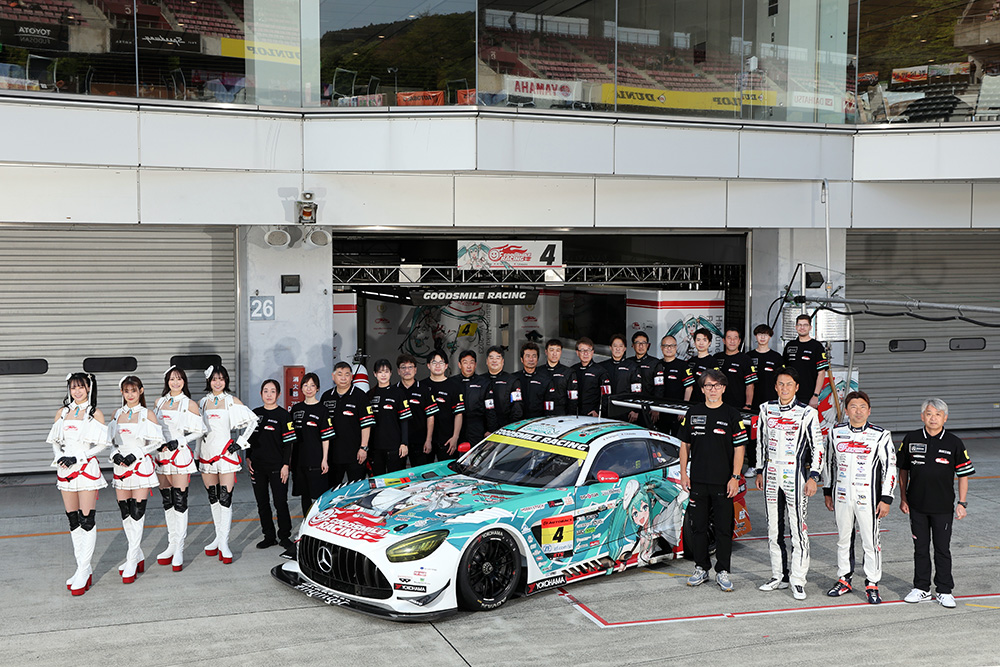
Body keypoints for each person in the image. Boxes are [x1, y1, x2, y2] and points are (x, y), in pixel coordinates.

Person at [754, 367, 824, 600]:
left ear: (797, 387)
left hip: (795, 475)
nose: (784, 388)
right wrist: (760, 470)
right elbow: (760, 443)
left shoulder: (807, 413)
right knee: (773, 528)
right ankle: (779, 576)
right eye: (781, 384)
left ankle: (798, 580)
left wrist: (814, 477)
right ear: (775, 387)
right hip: (771, 473)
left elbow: (818, 447)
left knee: (798, 529)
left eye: (789, 384)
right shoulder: (765, 409)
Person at [899, 398, 974, 609]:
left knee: (942, 549)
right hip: (917, 506)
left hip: (943, 508)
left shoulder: (954, 442)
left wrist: (962, 503)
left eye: (938, 414)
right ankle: (921, 588)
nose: (933, 418)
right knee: (920, 549)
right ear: (922, 416)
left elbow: (963, 475)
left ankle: (944, 590)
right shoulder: (911, 438)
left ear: (945, 418)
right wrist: (903, 498)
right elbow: (903, 471)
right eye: (929, 414)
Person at [823, 390, 896, 604]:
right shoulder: (835, 432)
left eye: (862, 407)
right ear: (846, 411)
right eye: (853, 407)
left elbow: (890, 468)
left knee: (870, 540)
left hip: (869, 497)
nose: (858, 411)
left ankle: (872, 583)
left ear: (869, 410)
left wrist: (886, 498)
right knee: (843, 539)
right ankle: (844, 579)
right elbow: (828, 463)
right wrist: (827, 491)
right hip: (841, 495)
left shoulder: (881, 435)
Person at [678, 369, 748, 592]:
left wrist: (735, 477)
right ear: (702, 389)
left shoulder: (732, 414)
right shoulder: (693, 412)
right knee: (698, 528)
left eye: (717, 385)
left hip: (723, 483)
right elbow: (684, 445)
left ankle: (723, 571)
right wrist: (683, 473)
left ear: (724, 388)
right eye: (708, 386)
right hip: (698, 481)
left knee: (723, 530)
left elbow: (739, 448)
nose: (713, 390)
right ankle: (701, 568)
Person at [47, 372, 107, 596]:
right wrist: (59, 457)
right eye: (73, 387)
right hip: (66, 470)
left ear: (88, 388)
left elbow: (102, 444)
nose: (77, 391)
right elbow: (55, 440)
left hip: (86, 469)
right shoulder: (62, 413)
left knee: (86, 519)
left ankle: (83, 570)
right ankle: (82, 567)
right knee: (73, 519)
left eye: (81, 387)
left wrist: (78, 457)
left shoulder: (94, 413)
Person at [198, 364, 258, 565]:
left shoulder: (231, 401)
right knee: (213, 498)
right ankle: (217, 538)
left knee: (225, 498)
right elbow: (199, 432)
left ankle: (224, 543)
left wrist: (240, 443)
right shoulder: (202, 403)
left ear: (226, 381)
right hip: (207, 456)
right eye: (214, 379)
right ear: (209, 381)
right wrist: (197, 455)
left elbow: (253, 421)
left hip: (226, 456)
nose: (218, 382)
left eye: (221, 378)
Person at [108, 375, 163, 584]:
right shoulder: (117, 414)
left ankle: (131, 561)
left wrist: (137, 453)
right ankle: (137, 554)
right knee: (125, 512)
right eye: (126, 391)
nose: (130, 395)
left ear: (141, 391)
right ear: (122, 393)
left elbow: (157, 441)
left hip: (140, 467)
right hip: (121, 468)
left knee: (137, 513)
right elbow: (110, 442)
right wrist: (115, 455)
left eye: (133, 390)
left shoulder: (147, 414)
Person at [153, 366, 203, 572]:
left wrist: (180, 441)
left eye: (179, 379)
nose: (175, 382)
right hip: (161, 456)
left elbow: (200, 430)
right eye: (172, 379)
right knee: (168, 501)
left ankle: (180, 549)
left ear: (184, 382)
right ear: (167, 381)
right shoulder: (159, 402)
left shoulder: (189, 404)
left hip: (180, 455)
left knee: (180, 500)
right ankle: (171, 544)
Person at [248, 379, 294, 552]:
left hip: (277, 467)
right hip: (257, 467)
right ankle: (269, 536)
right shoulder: (255, 414)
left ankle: (284, 536)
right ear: (261, 394)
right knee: (262, 503)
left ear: (278, 394)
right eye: (265, 391)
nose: (269, 394)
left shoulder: (284, 415)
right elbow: (248, 439)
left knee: (280, 502)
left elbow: (289, 444)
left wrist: (285, 465)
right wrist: (248, 458)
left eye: (272, 391)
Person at [320, 362, 373, 487]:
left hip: (355, 454)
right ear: (333, 376)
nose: (343, 378)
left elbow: (366, 424)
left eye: (347, 374)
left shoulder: (360, 396)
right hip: (333, 455)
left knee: (356, 490)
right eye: (339, 374)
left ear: (351, 377)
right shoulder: (326, 397)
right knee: (333, 489)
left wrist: (363, 448)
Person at [368, 359, 412, 475]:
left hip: (395, 446)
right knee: (378, 480)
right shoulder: (369, 395)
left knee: (396, 480)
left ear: (391, 373)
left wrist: (404, 443)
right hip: (375, 447)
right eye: (380, 372)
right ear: (375, 374)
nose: (383, 375)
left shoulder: (398, 393)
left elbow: (404, 421)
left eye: (386, 371)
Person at [395, 353, 437, 467]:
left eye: (410, 367)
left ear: (415, 370)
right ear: (398, 371)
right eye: (403, 367)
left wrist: (428, 440)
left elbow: (430, 417)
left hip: (420, 441)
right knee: (398, 474)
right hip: (398, 442)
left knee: (420, 474)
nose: (407, 370)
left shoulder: (424, 390)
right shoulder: (394, 390)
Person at [782, 314, 829, 407]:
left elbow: (821, 373)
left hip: (809, 396)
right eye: (799, 325)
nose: (802, 328)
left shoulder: (816, 346)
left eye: (805, 325)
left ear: (810, 327)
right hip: (790, 395)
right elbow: (783, 371)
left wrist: (816, 395)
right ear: (796, 327)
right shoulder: (790, 345)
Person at [651, 335, 694, 434]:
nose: (669, 348)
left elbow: (689, 387)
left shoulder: (683, 365)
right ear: (661, 347)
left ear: (676, 347)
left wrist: (683, 408)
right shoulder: (657, 365)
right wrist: (655, 407)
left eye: (672, 345)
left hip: (677, 411)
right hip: (660, 411)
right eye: (666, 346)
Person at [426, 349, 464, 458]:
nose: (438, 365)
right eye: (434, 362)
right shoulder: (422, 386)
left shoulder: (454, 386)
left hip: (448, 439)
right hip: (425, 440)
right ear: (428, 365)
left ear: (446, 366)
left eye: (441, 362)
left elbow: (459, 414)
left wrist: (455, 437)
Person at [602, 333, 642, 422]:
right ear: (610, 347)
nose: (617, 348)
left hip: (626, 412)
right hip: (606, 412)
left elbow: (637, 391)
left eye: (620, 346)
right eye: (615, 346)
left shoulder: (632, 366)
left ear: (625, 348)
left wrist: (635, 410)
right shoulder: (603, 366)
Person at [713, 327, 756, 411]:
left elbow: (750, 385)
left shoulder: (745, 359)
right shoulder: (716, 358)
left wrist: (748, 405)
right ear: (724, 340)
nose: (732, 341)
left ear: (739, 341)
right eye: (729, 338)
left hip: (738, 406)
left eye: (735, 338)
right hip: (717, 404)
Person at [483, 345, 523, 434]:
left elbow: (517, 408)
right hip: (483, 431)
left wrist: (510, 429)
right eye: (491, 358)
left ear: (502, 361)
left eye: (498, 358)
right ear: (487, 361)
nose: (494, 361)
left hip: (505, 429)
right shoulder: (480, 380)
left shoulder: (512, 380)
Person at [568, 337, 611, 417]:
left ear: (592, 352)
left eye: (588, 350)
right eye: (582, 350)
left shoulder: (601, 372)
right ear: (577, 352)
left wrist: (597, 411)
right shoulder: (572, 370)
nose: (586, 353)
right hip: (574, 415)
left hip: (591, 415)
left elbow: (606, 396)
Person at [514, 341, 556, 419]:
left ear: (537, 359)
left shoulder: (546, 380)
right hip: (517, 422)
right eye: (527, 356)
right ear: (522, 359)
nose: (531, 359)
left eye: (534, 356)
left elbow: (549, 406)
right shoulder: (514, 378)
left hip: (538, 421)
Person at [455, 350, 487, 446]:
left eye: (471, 362)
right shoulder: (452, 382)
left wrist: (489, 429)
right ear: (459, 365)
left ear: (475, 365)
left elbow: (489, 409)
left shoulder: (483, 382)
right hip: (456, 427)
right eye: (465, 363)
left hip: (477, 426)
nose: (468, 366)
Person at [749, 324, 783, 410]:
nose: (762, 337)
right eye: (760, 334)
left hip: (771, 398)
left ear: (770, 337)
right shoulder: (748, 356)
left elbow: (781, 379)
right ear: (756, 336)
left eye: (766, 334)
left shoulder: (776, 357)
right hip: (752, 399)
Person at [687, 328, 718, 402]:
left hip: (706, 402)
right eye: (698, 340)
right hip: (691, 401)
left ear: (709, 343)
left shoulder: (713, 362)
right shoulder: (691, 361)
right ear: (694, 342)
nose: (701, 343)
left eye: (704, 340)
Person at [543, 338, 571, 416]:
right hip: (541, 413)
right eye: (551, 350)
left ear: (561, 352)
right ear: (546, 352)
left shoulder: (568, 372)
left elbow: (572, 400)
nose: (554, 354)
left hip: (561, 414)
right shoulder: (538, 371)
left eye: (558, 350)